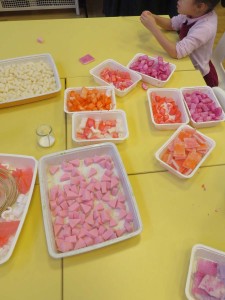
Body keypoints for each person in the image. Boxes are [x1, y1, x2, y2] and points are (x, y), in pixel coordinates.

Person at [140, 0, 220, 87]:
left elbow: (176, 52)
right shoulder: (193, 13)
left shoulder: (206, 27)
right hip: (185, 62)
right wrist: (153, 17)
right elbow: (171, 24)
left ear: (200, 6)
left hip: (196, 74)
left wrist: (153, 28)